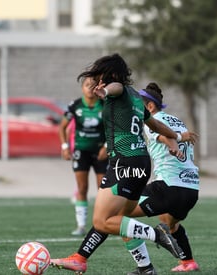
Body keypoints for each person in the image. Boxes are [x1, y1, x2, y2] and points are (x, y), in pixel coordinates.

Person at [51, 53, 198, 274]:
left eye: (100, 77)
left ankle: (158, 235)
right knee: (120, 220)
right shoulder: (136, 99)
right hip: (140, 163)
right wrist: (177, 137)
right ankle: (143, 268)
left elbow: (116, 87)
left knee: (102, 221)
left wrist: (106, 90)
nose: (97, 82)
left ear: (110, 76)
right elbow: (156, 126)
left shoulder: (116, 90)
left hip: (124, 162)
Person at [124, 82, 200, 274]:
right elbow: (176, 137)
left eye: (138, 104)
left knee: (118, 215)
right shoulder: (177, 121)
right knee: (169, 221)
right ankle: (188, 262)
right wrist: (178, 142)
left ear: (149, 106)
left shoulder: (152, 120)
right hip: (191, 189)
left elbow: (164, 136)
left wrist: (173, 144)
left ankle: (145, 266)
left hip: (168, 185)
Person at [59, 77, 108, 236]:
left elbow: (113, 127)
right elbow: (62, 127)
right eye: (87, 85)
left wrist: (106, 147)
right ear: (82, 88)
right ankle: (81, 226)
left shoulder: (105, 104)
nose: (90, 88)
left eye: (93, 86)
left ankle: (102, 223)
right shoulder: (75, 105)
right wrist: (65, 147)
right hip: (81, 151)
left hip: (100, 152)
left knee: (103, 189)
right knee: (82, 188)